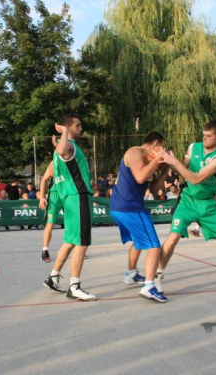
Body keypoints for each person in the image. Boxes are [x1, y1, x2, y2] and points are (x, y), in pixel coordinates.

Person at [156, 120, 216, 294]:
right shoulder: (194, 147)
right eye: (203, 135)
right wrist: (168, 162)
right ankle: (156, 278)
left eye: (209, 136)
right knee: (172, 238)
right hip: (188, 200)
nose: (204, 138)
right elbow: (183, 170)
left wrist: (173, 162)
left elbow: (195, 179)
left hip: (208, 204)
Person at [109, 131, 168, 303]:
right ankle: (149, 286)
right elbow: (140, 177)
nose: (162, 150)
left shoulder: (149, 162)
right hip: (129, 208)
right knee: (154, 246)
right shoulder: (135, 152)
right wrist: (157, 160)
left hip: (124, 208)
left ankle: (131, 273)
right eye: (161, 146)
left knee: (138, 241)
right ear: (155, 143)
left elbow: (155, 190)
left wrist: (166, 168)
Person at [42, 113, 96, 301]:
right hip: (77, 196)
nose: (81, 128)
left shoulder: (64, 149)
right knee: (82, 242)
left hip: (70, 198)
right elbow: (61, 150)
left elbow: (59, 150)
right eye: (77, 125)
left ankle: (53, 276)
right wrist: (64, 132)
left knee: (70, 240)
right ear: (69, 128)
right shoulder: (69, 145)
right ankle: (74, 286)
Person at [39, 161, 64, 263]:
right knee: (50, 224)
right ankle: (45, 250)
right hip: (55, 196)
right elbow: (44, 179)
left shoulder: (74, 160)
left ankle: (78, 248)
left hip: (68, 195)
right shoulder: (55, 162)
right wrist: (41, 197)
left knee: (73, 223)